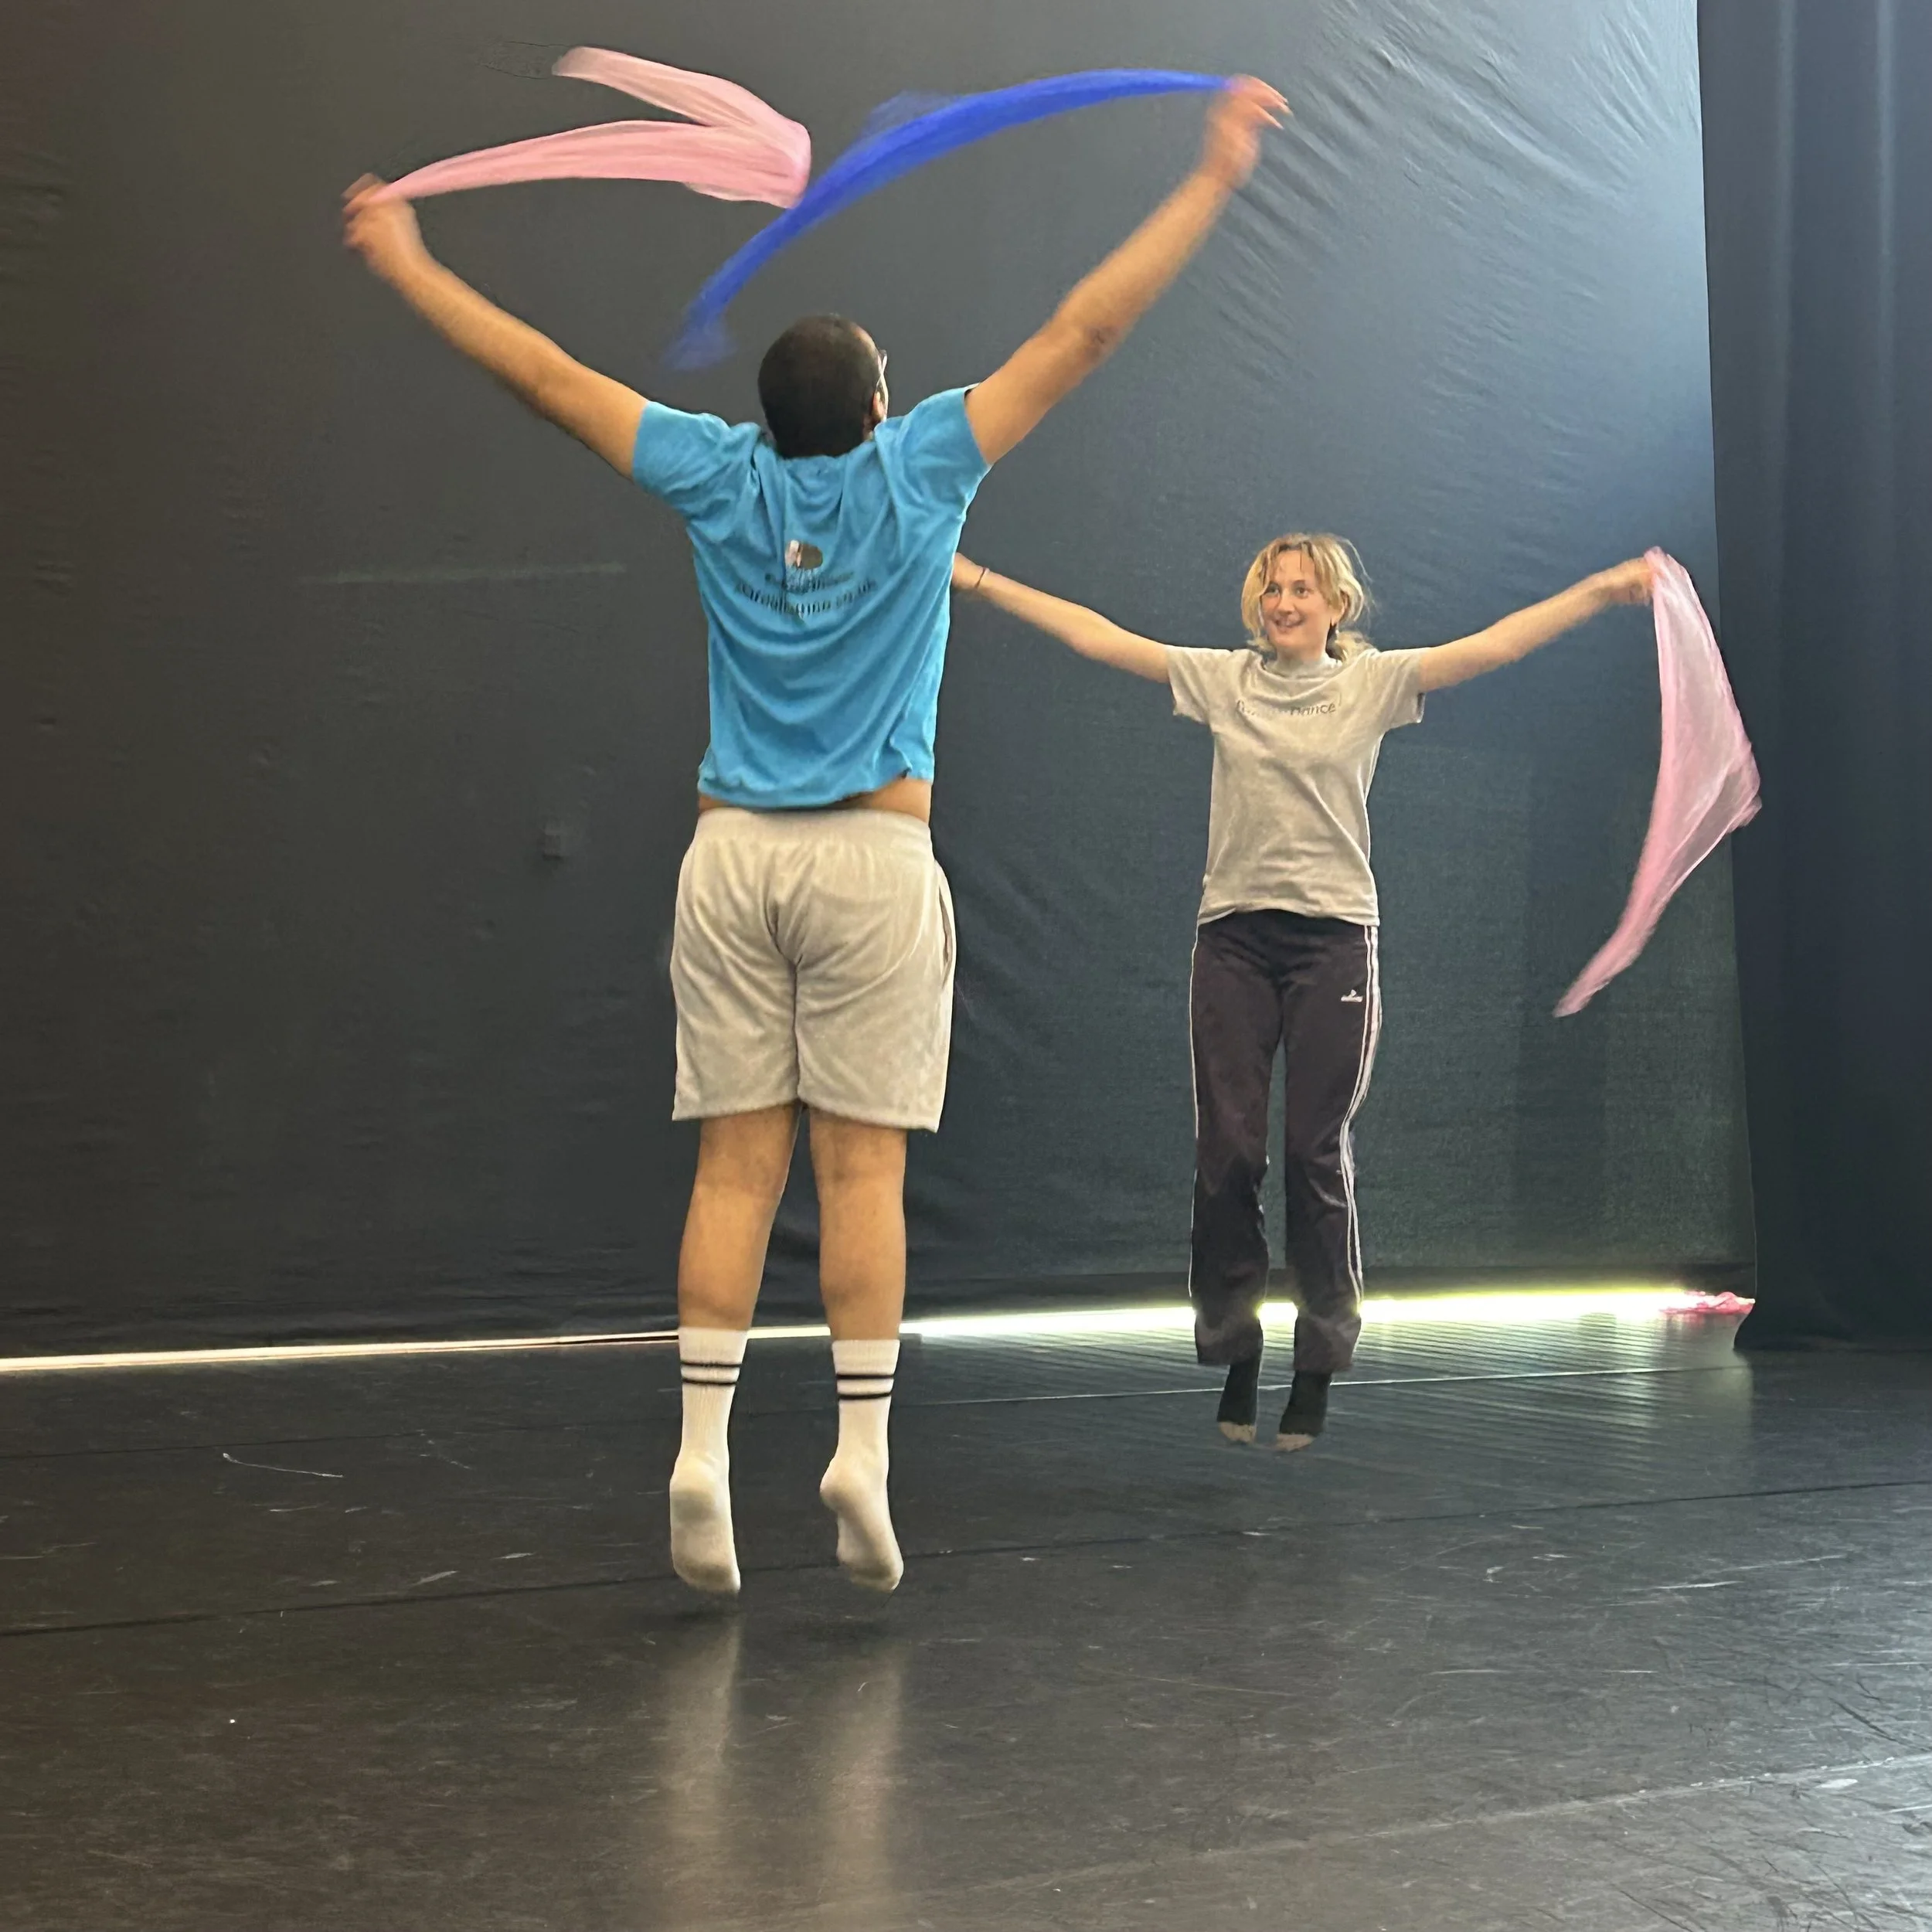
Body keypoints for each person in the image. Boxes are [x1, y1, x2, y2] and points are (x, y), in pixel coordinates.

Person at [342, 77, 1287, 1595]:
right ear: (870, 407)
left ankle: (702, 1450)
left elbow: (542, 375)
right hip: (867, 862)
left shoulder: (717, 475)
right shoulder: (922, 467)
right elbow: (1082, 331)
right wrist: (1213, 174)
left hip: (733, 862)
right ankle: (858, 1450)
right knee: (860, 1180)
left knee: (733, 1172)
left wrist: (403, 260)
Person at [951, 536, 1654, 1448]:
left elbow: (1494, 647)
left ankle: (1318, 1359)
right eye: (1272, 589)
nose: (1284, 602)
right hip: (1234, 939)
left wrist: (1601, 589)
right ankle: (1234, 1342)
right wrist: (978, 579)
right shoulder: (1222, 681)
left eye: (1302, 589)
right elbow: (1096, 638)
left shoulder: (1373, 685)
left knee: (1313, 1149)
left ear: (1336, 605)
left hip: (1332, 942)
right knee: (1229, 1151)